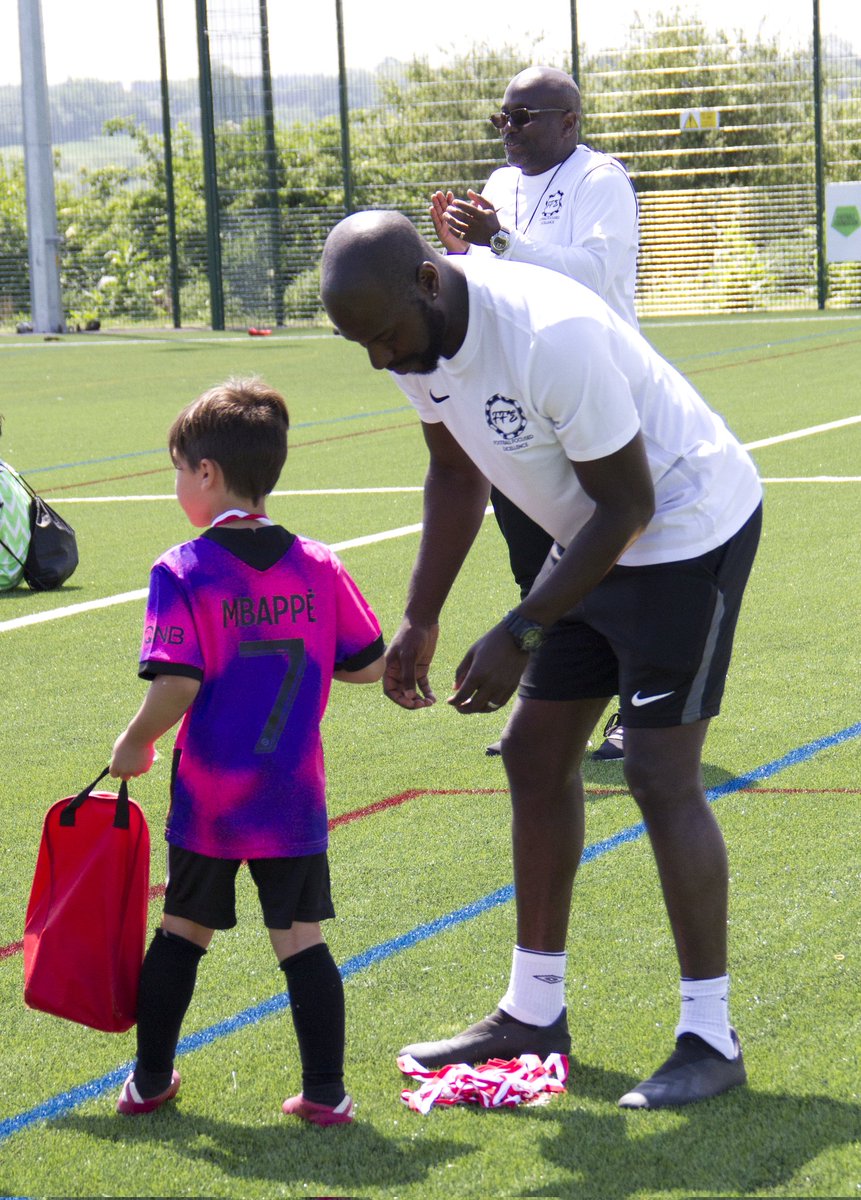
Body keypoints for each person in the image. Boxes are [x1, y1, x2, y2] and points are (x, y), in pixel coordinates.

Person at [320, 211, 762, 1109]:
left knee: (656, 772)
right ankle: (532, 1011)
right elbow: (455, 471)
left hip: (684, 530)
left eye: (383, 338)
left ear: (428, 283)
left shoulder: (545, 335)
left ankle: (710, 1036)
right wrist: (421, 616)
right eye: (360, 344)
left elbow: (630, 504)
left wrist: (521, 630)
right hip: (590, 536)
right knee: (533, 754)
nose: (378, 360)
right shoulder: (411, 337)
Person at [109, 377, 385, 1124]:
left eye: (177, 470)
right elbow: (366, 662)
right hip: (291, 793)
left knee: (181, 933)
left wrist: (133, 742)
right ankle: (326, 1092)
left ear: (206, 473)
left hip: (212, 798)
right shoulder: (318, 564)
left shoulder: (183, 569)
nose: (176, 484)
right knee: (301, 940)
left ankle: (150, 1081)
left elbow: (177, 682)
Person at [430, 65, 639, 760]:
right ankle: (553, 708)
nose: (508, 130)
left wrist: (499, 242)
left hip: (595, 389)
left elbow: (595, 275)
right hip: (519, 393)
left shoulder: (600, 179)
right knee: (533, 560)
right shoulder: (499, 184)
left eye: (523, 117)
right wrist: (460, 255)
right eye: (503, 117)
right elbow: (496, 286)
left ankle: (635, 709)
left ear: (569, 121)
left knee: (616, 558)